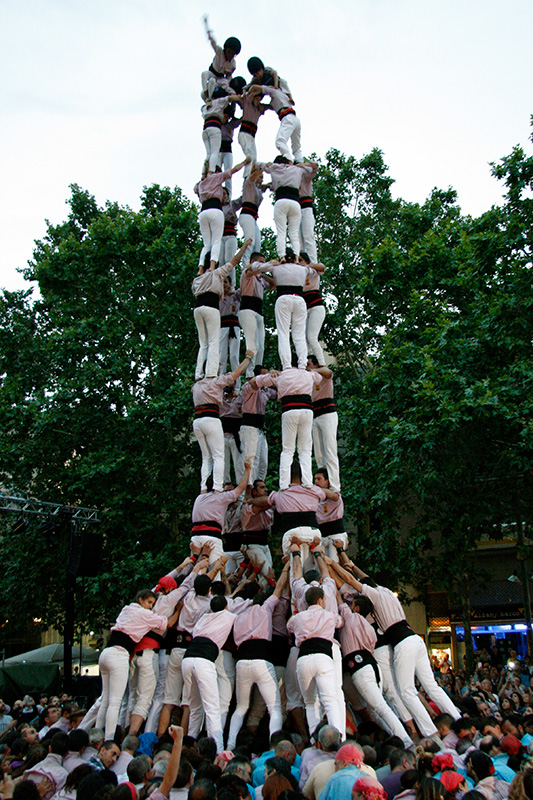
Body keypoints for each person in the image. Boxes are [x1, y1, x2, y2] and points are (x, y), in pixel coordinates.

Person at [328, 560, 461, 737]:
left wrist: (330, 565)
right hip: (413, 640)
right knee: (427, 687)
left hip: (396, 647)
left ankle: (428, 732)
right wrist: (348, 563)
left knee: (402, 692)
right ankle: (457, 719)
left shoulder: (370, 599)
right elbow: (360, 578)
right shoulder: (387, 592)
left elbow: (349, 581)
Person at [95, 590, 180, 739]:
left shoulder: (126, 609)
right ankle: (108, 739)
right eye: (149, 603)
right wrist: (178, 610)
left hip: (106, 653)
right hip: (119, 655)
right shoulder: (145, 614)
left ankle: (95, 735)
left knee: (106, 700)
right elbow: (169, 623)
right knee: (115, 702)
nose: (150, 607)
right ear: (140, 600)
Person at [337, 593, 413, 749]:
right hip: (372, 665)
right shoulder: (369, 628)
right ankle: (395, 736)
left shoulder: (352, 618)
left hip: (361, 667)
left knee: (380, 707)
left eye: (352, 604)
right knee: (376, 710)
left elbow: (339, 602)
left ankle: (405, 739)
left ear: (356, 608)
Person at [226, 564, 289, 749]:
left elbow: (231, 598)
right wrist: (285, 568)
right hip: (262, 660)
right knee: (275, 708)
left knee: (241, 707)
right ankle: (273, 747)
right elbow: (278, 591)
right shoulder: (265, 609)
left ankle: (230, 747)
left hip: (242, 661)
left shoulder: (237, 616)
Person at [181, 595, 237, 753]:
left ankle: (189, 744)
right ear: (226, 606)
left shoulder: (203, 618)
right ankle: (218, 750)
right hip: (204, 660)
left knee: (195, 706)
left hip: (188, 658)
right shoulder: (229, 616)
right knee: (212, 707)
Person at [286, 583, 344, 733]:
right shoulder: (329, 615)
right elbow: (341, 622)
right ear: (320, 601)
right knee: (330, 701)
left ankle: (314, 739)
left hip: (303, 659)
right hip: (323, 658)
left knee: (310, 703)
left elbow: (289, 626)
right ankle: (338, 739)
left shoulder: (298, 617)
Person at [252, 364, 322, 488]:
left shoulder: (281, 375)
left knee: (287, 450)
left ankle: (284, 485)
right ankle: (308, 483)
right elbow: (320, 377)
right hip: (307, 411)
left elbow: (255, 381)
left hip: (289, 410)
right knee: (305, 450)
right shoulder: (308, 374)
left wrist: (272, 374)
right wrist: (311, 370)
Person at [192, 355, 252, 492]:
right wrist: (248, 358)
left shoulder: (197, 385)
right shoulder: (216, 382)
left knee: (206, 457)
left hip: (197, 421)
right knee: (219, 456)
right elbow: (237, 373)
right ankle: (218, 488)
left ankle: (203, 488)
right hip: (211, 419)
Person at [254, 254, 324, 369]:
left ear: (283, 258)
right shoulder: (303, 269)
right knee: (299, 335)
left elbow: (255, 266)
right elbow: (319, 269)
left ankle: (287, 365)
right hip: (299, 300)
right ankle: (302, 365)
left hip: (284, 299)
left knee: (284, 334)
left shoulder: (276, 267)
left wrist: (271, 263)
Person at [194, 160, 250, 271]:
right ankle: (212, 266)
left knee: (206, 244)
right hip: (215, 209)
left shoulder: (201, 184)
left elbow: (195, 189)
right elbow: (234, 170)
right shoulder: (216, 177)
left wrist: (203, 175)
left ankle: (200, 268)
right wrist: (244, 162)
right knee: (216, 241)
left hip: (203, 211)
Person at [190, 463, 252, 562]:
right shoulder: (221, 498)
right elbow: (240, 489)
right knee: (214, 571)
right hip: (211, 538)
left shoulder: (199, 498)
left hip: (195, 538)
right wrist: (247, 470)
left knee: (197, 569)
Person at [255, 160, 314, 259]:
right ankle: (296, 257)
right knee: (294, 233)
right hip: (295, 202)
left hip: (281, 201)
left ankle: (282, 256)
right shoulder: (297, 169)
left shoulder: (274, 167)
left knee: (281, 232)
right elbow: (313, 168)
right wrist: (304, 165)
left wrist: (267, 165)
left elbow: (257, 164)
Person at [238, 256, 275, 375]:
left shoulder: (261, 279)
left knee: (260, 345)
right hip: (248, 308)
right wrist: (262, 267)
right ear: (253, 262)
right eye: (260, 262)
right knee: (252, 343)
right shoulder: (247, 273)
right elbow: (251, 271)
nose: (262, 265)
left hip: (258, 310)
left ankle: (257, 368)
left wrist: (263, 274)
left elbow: (274, 284)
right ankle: (249, 373)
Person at [308, 359, 340, 493]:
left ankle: (335, 486)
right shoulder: (309, 379)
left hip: (327, 414)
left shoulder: (324, 375)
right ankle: (323, 483)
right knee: (319, 454)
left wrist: (312, 370)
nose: (306, 367)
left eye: (308, 364)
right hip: (315, 416)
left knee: (330, 450)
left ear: (315, 365)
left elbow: (329, 371)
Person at [249, 83, 301, 163]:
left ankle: (289, 160)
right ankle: (299, 161)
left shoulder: (274, 91)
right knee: (296, 146)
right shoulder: (278, 98)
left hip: (288, 118)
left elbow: (255, 87)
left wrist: (248, 94)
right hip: (295, 119)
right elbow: (269, 106)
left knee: (280, 141)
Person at [240, 367, 276, 480]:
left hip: (260, 427)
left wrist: (274, 376)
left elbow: (279, 391)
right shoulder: (248, 386)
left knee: (263, 462)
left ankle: (260, 486)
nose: (267, 378)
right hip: (249, 425)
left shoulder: (266, 390)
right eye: (264, 375)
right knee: (252, 460)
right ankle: (249, 488)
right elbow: (254, 384)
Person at [201, 16, 241, 101]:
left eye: (232, 54)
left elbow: (229, 76)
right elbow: (211, 39)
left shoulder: (233, 64)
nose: (229, 55)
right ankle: (207, 95)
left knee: (227, 87)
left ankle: (238, 100)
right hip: (212, 73)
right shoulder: (219, 51)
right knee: (204, 75)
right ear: (225, 49)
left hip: (221, 79)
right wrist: (206, 24)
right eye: (229, 52)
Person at [314, 468, 345, 557]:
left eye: (319, 479)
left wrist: (318, 489)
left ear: (327, 481)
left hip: (336, 534)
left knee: (334, 563)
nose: (316, 482)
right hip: (322, 536)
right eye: (315, 479)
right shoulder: (317, 498)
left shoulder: (335, 496)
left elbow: (334, 497)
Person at [302, 255, 326, 367]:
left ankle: (322, 364)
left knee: (312, 337)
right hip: (305, 309)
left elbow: (322, 267)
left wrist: (306, 266)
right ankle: (308, 363)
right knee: (303, 338)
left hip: (316, 307)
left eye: (300, 260)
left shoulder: (313, 271)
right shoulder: (298, 274)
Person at [219, 276, 241, 375]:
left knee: (234, 356)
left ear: (230, 284)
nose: (224, 284)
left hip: (234, 327)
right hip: (222, 327)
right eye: (222, 282)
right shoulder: (217, 297)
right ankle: (219, 382)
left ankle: (236, 385)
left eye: (226, 282)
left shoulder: (235, 296)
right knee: (221, 357)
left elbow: (243, 288)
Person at [299, 162, 319, 263]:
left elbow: (315, 166)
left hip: (306, 207)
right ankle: (301, 261)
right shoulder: (291, 179)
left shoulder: (305, 177)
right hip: (296, 209)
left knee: (308, 236)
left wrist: (302, 165)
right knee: (298, 240)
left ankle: (313, 262)